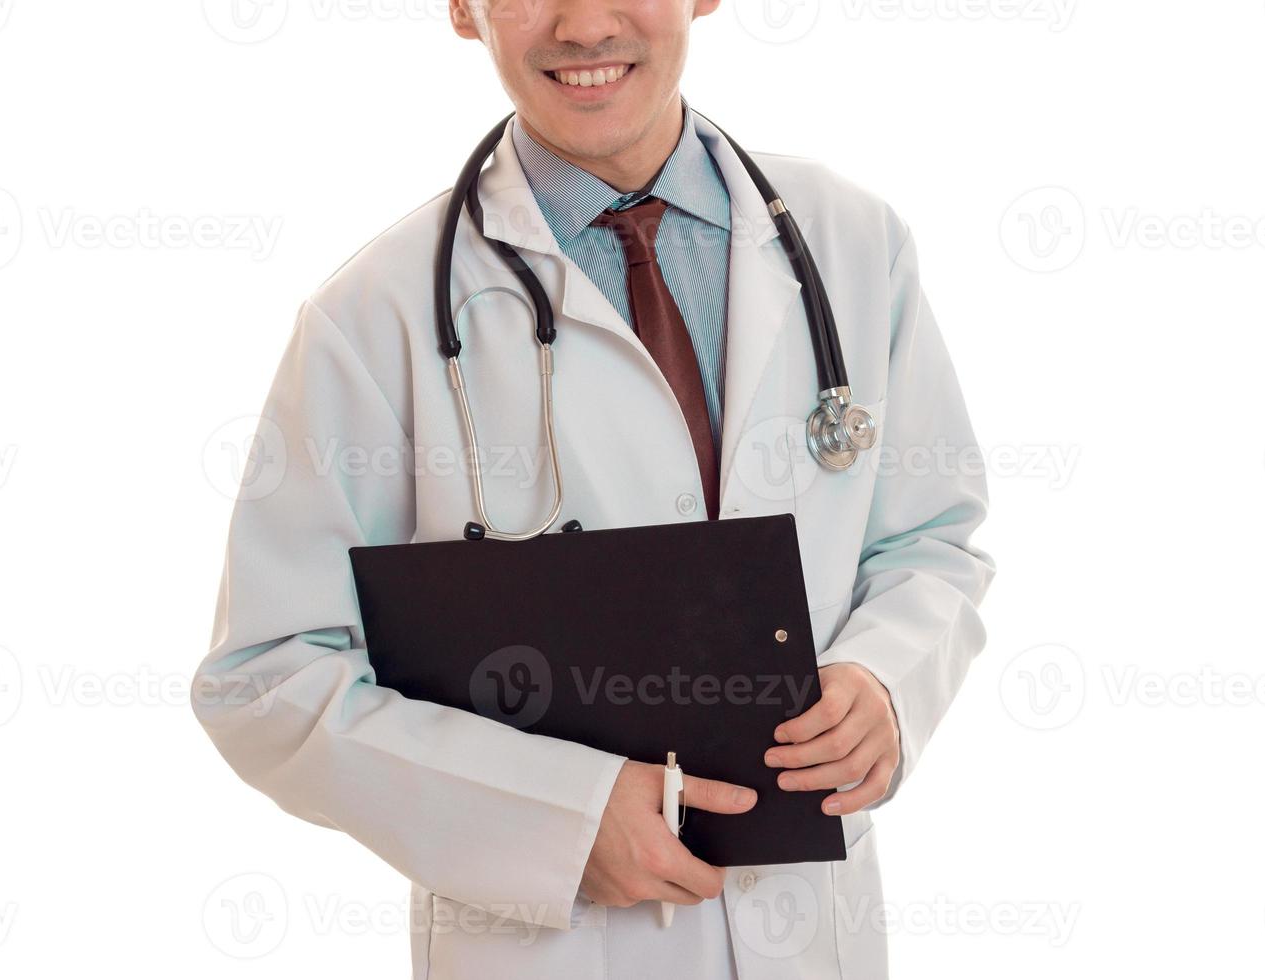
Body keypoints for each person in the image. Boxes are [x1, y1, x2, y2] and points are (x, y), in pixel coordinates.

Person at [190, 0, 995, 976]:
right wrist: (556, 822)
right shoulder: (377, 318)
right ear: (460, 8)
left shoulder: (854, 243)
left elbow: (930, 540)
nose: (583, 24)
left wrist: (885, 681)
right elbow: (267, 675)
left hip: (809, 927)